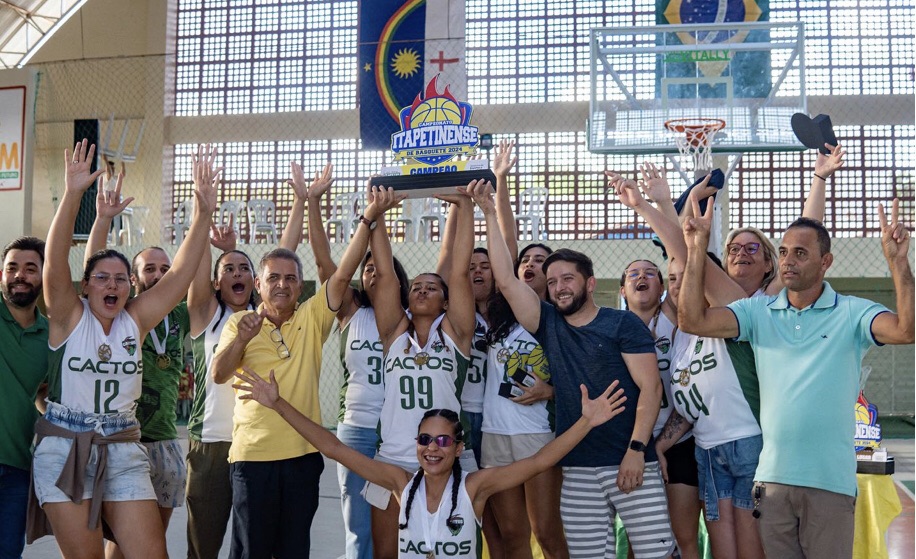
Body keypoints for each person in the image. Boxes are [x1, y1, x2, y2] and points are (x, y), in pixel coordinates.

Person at [678, 197, 914, 559]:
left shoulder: (852, 312)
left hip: (829, 484)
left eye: (800, 253)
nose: (788, 261)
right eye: (785, 252)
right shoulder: (759, 312)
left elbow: (904, 330)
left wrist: (899, 263)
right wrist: (696, 251)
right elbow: (693, 321)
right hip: (772, 482)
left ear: (826, 262)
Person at [462, 180, 675, 558]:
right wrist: (487, 213)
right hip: (576, 467)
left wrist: (636, 450)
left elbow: (651, 390)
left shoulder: (622, 324)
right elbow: (508, 281)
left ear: (590, 283)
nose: (559, 287)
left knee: (654, 554)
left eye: (568, 279)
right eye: (554, 280)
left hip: (626, 459)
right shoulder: (547, 322)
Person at [32, 139, 216, 557]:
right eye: (102, 277)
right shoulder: (67, 315)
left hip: (121, 443)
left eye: (120, 278)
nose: (112, 284)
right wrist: (74, 195)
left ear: (130, 288)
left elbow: (183, 271)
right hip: (67, 443)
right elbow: (55, 261)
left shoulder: (135, 320)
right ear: (85, 285)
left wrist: (203, 213)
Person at [231, 366, 626, 559]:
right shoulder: (401, 483)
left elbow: (540, 461)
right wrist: (277, 403)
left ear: (457, 448)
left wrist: (586, 420)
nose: (431, 448)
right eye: (424, 440)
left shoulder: (474, 488)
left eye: (441, 440)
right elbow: (334, 448)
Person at [210, 186, 405, 559]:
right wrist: (241, 342)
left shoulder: (313, 318)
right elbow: (219, 374)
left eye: (290, 278)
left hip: (302, 457)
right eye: (273, 278)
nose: (281, 284)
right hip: (252, 457)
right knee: (250, 550)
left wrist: (369, 217)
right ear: (258, 285)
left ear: (301, 286)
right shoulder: (239, 321)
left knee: (294, 549)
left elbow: (344, 269)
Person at [280, 162, 410, 559]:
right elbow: (324, 265)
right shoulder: (351, 310)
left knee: (395, 521)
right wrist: (313, 202)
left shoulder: (405, 319)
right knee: (358, 524)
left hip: (396, 431)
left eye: (377, 268)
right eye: (364, 268)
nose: (370, 273)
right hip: (356, 428)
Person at [84, 170, 193, 559]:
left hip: (165, 439)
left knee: (153, 543)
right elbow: (91, 271)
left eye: (166, 269)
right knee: (117, 541)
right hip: (124, 440)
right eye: (150, 269)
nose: (160, 276)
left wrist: (203, 212)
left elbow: (191, 269)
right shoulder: (120, 316)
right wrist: (103, 220)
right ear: (133, 278)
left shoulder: (180, 315)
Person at [367, 188, 478, 559]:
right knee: (388, 552)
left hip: (445, 454)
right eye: (416, 286)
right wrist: (378, 213)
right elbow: (384, 274)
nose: (421, 290)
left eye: (432, 287)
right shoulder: (394, 335)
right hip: (395, 455)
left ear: (446, 301)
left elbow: (460, 272)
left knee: (450, 551)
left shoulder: (456, 334)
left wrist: (465, 206)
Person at [618, 257, 702, 559]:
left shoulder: (676, 320)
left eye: (650, 273)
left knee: (683, 536)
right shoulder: (613, 327)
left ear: (663, 288)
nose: (642, 277)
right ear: (623, 289)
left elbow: (680, 255)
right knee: (638, 538)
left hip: (678, 441)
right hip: (633, 445)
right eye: (634, 274)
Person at [184, 215, 256, 559]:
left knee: (253, 543)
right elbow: (198, 271)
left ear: (255, 281)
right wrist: (204, 213)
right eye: (229, 269)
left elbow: (286, 261)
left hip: (256, 444)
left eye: (244, 268)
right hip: (210, 443)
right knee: (203, 545)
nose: (237, 273)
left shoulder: (265, 316)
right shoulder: (206, 314)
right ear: (215, 282)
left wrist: (304, 200)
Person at [0, 236, 49, 559]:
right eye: (12, 268)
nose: (20, 275)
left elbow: (45, 394)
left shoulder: (52, 337)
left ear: (45, 276)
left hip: (16, 468)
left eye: (31, 269)